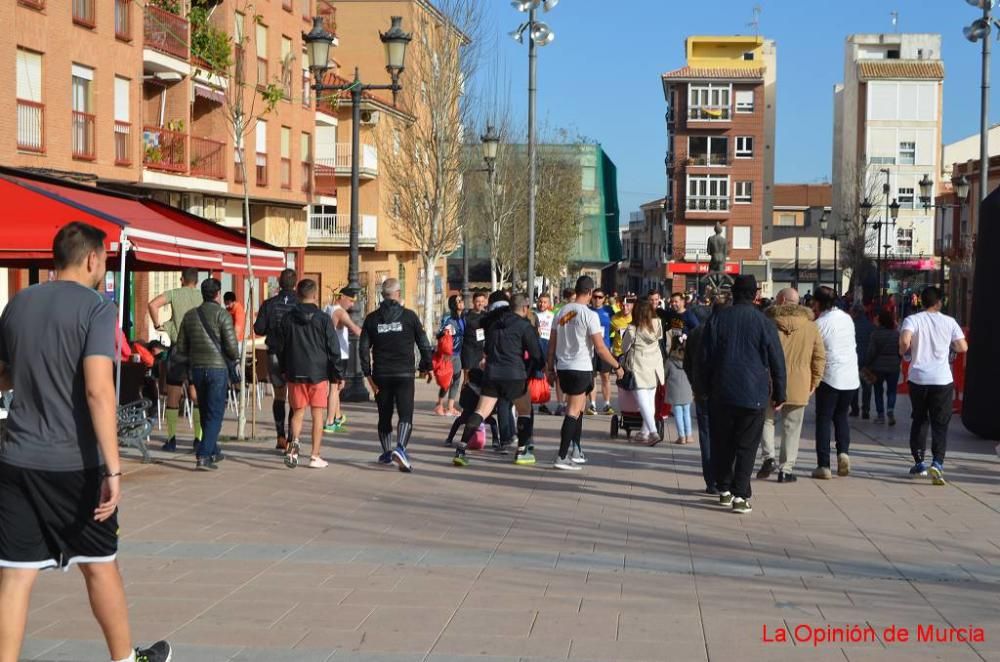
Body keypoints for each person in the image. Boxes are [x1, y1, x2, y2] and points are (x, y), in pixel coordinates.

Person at [0, 222, 172, 662]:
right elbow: (98, 388)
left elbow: (4, 373)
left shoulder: (17, 304)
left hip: (17, 458)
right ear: (94, 259)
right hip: (73, 464)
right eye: (105, 260)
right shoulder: (97, 309)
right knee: (100, 564)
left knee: (16, 575)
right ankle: (124, 659)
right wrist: (114, 469)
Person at [701, 274, 786, 514]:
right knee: (747, 445)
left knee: (723, 442)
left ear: (733, 293)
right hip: (753, 393)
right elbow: (776, 360)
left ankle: (725, 489)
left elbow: (704, 357)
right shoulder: (764, 322)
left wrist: (703, 388)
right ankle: (740, 495)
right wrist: (780, 392)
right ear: (756, 295)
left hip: (721, 391)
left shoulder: (717, 319)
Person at [453, 293, 543, 466]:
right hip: (515, 375)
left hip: (492, 374)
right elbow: (536, 354)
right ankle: (522, 451)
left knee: (481, 412)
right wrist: (534, 369)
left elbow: (486, 348)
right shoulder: (524, 326)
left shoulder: (494, 324)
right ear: (524, 308)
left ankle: (461, 449)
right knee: (524, 411)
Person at [547, 276, 626, 471]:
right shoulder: (589, 315)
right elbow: (600, 347)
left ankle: (576, 450)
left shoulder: (563, 313)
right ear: (590, 292)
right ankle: (562, 455)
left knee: (579, 409)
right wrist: (617, 365)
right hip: (580, 367)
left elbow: (552, 344)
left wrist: (549, 367)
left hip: (563, 366)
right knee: (573, 411)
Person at [359, 278, 433, 472]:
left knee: (384, 415)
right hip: (404, 373)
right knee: (405, 413)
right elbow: (424, 343)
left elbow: (363, 348)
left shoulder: (372, 319)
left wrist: (368, 375)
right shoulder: (409, 317)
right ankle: (400, 447)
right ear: (398, 294)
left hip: (381, 374)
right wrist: (428, 365)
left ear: (382, 296)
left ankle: (386, 452)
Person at [899, 286, 968, 485]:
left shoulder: (912, 319)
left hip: (918, 378)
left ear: (921, 301)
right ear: (939, 302)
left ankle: (919, 462)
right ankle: (937, 463)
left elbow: (904, 340)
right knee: (940, 422)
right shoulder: (949, 321)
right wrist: (950, 346)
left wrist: (905, 352)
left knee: (919, 419)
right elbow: (963, 346)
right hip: (942, 379)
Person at [757, 288, 825, 484]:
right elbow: (819, 357)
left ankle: (768, 456)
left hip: (769, 380)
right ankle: (786, 469)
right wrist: (815, 381)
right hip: (800, 380)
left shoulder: (768, 323)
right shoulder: (811, 327)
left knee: (766, 420)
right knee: (792, 427)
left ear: (782, 301)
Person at [274, 279, 342, 469]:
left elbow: (281, 347)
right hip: (318, 372)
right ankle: (315, 455)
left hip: (295, 372)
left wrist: (285, 367)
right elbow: (333, 348)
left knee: (298, 412)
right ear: (315, 294)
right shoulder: (323, 319)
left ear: (297, 294)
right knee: (317, 414)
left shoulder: (287, 319)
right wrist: (337, 374)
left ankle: (294, 445)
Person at [175, 278, 240, 471]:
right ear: (218, 294)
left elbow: (180, 347)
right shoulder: (223, 315)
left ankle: (213, 449)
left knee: (204, 410)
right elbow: (232, 349)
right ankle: (203, 454)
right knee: (216, 413)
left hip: (196, 369)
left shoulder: (190, 316)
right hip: (217, 369)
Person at [148, 266, 202, 453]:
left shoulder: (174, 293)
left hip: (178, 349)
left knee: (173, 393)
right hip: (196, 350)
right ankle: (198, 438)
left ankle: (171, 439)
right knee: (196, 394)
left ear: (182, 279)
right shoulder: (202, 297)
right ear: (196, 281)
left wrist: (158, 325)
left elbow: (152, 304)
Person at [811, 287, 860, 480]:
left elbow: (815, 350)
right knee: (841, 417)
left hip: (829, 376)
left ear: (818, 303)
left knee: (823, 419)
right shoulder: (847, 319)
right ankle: (843, 453)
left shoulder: (819, 324)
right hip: (850, 376)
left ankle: (823, 464)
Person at [253, 268, 298, 451]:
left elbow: (259, 329)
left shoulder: (269, 304)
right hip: (295, 355)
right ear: (295, 284)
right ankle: (292, 437)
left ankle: (280, 436)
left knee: (279, 395)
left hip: (273, 354)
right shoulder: (299, 304)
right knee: (295, 398)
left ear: (279, 283)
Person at [621, 296, 664, 445]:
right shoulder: (657, 323)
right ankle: (644, 432)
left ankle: (653, 432)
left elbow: (624, 348)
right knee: (650, 402)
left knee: (643, 403)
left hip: (638, 367)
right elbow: (659, 338)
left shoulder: (632, 329)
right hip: (654, 367)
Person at [684, 302, 717, 494]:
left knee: (706, 435)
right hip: (722, 391)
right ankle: (724, 478)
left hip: (702, 391)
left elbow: (688, 364)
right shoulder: (721, 332)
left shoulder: (695, 334)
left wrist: (694, 384)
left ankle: (711, 481)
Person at [323, 287, 362, 433]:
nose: (352, 305)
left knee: (337, 386)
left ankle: (337, 417)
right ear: (342, 297)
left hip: (330, 354)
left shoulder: (327, 308)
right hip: (339, 354)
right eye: (351, 300)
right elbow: (355, 329)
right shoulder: (340, 312)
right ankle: (329, 422)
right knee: (335, 387)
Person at [865, 309, 902, 426]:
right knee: (892, 390)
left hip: (878, 367)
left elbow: (871, 352)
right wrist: (898, 360)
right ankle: (890, 410)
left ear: (880, 321)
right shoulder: (896, 334)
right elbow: (900, 350)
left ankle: (880, 415)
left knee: (878, 390)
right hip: (893, 367)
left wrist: (868, 364)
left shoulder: (875, 334)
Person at [586, 288, 615, 415]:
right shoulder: (587, 310)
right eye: (595, 296)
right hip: (590, 348)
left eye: (600, 297)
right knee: (591, 377)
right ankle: (592, 404)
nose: (597, 299)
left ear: (604, 299)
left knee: (605, 377)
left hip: (604, 348)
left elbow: (620, 321)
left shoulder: (609, 310)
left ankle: (607, 404)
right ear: (591, 297)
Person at [435, 295, 465, 416]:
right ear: (453, 303)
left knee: (456, 380)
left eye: (462, 300)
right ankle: (439, 405)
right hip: (448, 353)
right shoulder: (448, 316)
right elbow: (439, 333)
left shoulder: (463, 317)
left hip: (458, 353)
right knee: (446, 381)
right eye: (459, 301)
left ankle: (450, 407)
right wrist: (445, 331)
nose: (462, 302)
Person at [665, 333, 694, 445]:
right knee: (686, 412)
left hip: (674, 391)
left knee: (678, 414)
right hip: (687, 390)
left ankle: (681, 436)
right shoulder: (689, 359)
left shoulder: (670, 361)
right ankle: (689, 435)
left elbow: (664, 374)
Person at [850, 304, 874, 419]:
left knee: (854, 386)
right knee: (867, 386)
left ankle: (854, 409)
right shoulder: (870, 326)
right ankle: (866, 410)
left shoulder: (850, 325)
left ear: (854, 313)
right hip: (867, 361)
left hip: (853, 360)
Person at [461, 289, 488, 386]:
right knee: (467, 378)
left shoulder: (486, 315)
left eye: (482, 301)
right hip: (469, 350)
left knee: (480, 378)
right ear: (473, 302)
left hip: (481, 350)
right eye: (477, 301)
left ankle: (475, 400)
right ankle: (464, 399)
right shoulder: (466, 316)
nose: (480, 304)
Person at [535, 293, 556, 414]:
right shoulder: (533, 315)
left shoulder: (552, 316)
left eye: (544, 302)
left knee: (546, 373)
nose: (542, 304)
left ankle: (543, 402)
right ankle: (532, 397)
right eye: (540, 301)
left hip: (548, 344)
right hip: (536, 344)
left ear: (549, 304)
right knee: (534, 373)